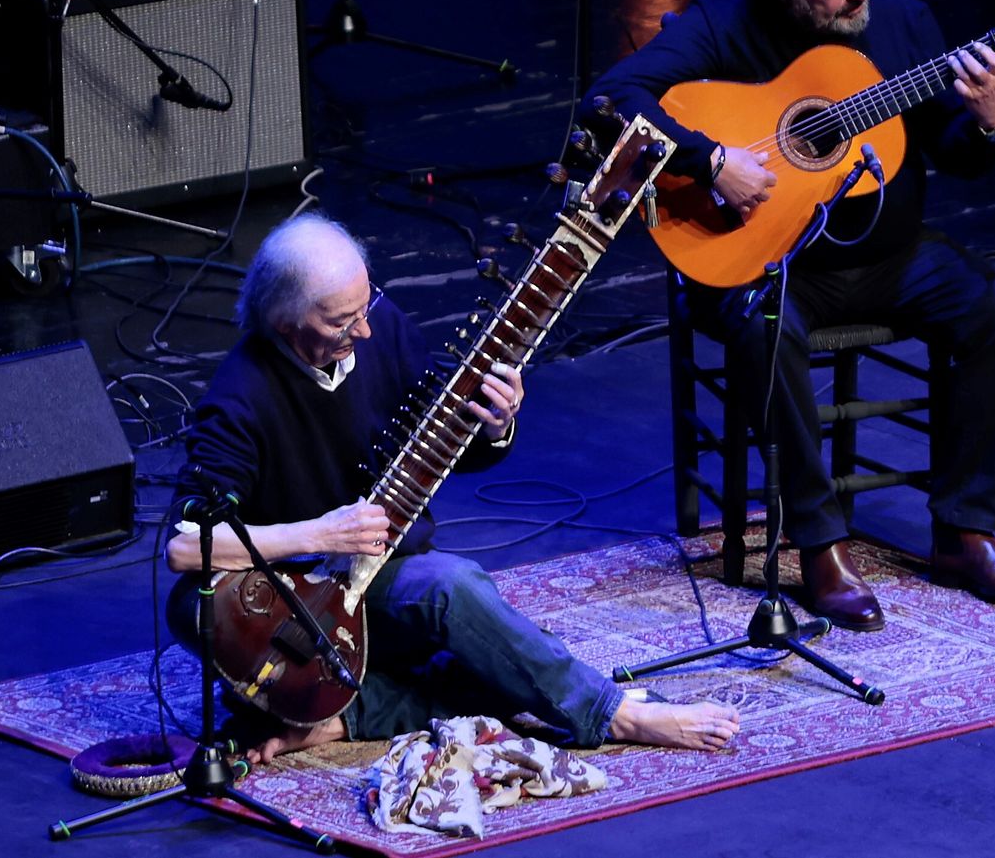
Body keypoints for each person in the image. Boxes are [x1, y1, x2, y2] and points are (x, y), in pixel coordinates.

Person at [585, 0, 995, 632]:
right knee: (767, 327)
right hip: (767, 265)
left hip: (889, 253)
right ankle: (819, 545)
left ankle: (966, 531)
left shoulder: (900, 21)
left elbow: (952, 152)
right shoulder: (719, 26)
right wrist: (710, 162)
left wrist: (991, 123)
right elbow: (609, 105)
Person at [166, 213, 740, 762]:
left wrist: (495, 424)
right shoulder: (237, 399)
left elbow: (442, 443)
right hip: (296, 608)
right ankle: (615, 715)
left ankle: (354, 713)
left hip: (381, 576)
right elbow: (186, 548)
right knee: (470, 614)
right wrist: (320, 533)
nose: (363, 330)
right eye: (341, 323)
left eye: (364, 309)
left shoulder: (378, 325)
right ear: (285, 319)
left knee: (480, 625)